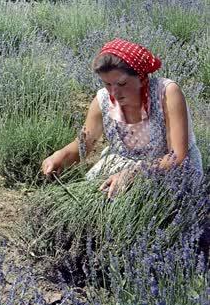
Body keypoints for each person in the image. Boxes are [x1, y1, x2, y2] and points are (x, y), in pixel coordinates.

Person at [42, 38, 203, 198]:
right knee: (91, 199)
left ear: (141, 78)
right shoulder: (102, 100)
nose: (114, 93)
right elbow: (83, 145)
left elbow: (177, 157)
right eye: (107, 84)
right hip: (121, 167)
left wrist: (134, 173)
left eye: (122, 84)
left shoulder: (166, 93)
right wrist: (59, 157)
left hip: (167, 171)